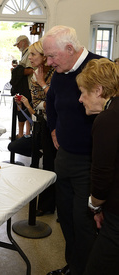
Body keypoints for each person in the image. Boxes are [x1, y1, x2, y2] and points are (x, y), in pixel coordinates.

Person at [41, 25, 103, 275]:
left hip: (91, 161)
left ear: (70, 48)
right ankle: (73, 266)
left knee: (83, 222)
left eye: (52, 56)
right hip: (64, 157)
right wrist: (54, 129)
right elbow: (52, 103)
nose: (48, 61)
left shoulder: (100, 68)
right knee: (65, 217)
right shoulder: (59, 72)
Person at [76, 58, 119, 275]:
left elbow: (102, 178)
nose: (80, 98)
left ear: (99, 90)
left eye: (84, 92)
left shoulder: (107, 120)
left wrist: (94, 206)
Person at [8, 40, 56, 215]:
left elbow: (53, 103)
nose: (30, 58)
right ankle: (43, 203)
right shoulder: (36, 74)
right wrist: (29, 105)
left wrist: (41, 100)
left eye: (34, 55)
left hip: (53, 127)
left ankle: (47, 205)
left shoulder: (52, 74)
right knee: (41, 165)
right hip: (43, 124)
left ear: (44, 57)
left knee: (50, 167)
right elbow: (39, 104)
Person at [10, 35, 33, 138]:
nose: (17, 46)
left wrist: (17, 72)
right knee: (23, 109)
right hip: (24, 86)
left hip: (29, 87)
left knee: (27, 109)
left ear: (23, 42)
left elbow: (30, 70)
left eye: (18, 44)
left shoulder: (30, 52)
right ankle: (22, 134)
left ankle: (26, 134)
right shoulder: (25, 53)